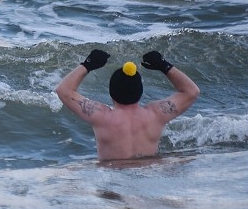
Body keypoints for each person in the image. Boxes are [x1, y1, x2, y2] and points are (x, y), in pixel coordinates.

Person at [55, 49, 200, 161]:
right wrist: (164, 66)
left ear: (111, 92)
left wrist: (87, 65)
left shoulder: (101, 116)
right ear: (140, 91)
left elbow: (63, 90)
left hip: (113, 178)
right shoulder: (156, 114)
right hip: (149, 175)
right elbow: (191, 91)